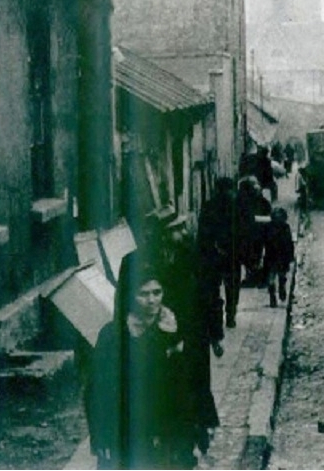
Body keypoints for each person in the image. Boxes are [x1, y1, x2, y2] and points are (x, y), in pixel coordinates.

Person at [84, 254, 204, 469]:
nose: (152, 301)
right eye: (143, 294)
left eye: (157, 292)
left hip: (169, 433)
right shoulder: (113, 337)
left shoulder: (174, 330)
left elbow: (191, 383)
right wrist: (101, 439)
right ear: (129, 296)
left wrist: (198, 428)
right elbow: (96, 392)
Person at [150, 217, 221, 451]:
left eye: (181, 228)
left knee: (197, 379)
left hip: (195, 331)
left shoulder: (195, 259)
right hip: (167, 330)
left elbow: (211, 299)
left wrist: (216, 335)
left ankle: (200, 428)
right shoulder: (156, 258)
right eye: (174, 229)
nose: (180, 232)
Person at [198, 177, 240, 329]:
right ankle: (230, 315)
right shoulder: (236, 205)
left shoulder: (209, 206)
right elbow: (243, 232)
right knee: (232, 287)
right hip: (232, 254)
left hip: (213, 254)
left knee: (214, 288)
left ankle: (218, 318)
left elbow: (202, 232)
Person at [263, 207, 295, 307]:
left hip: (272, 255)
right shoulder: (285, 227)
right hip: (280, 256)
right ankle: (279, 290)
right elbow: (289, 243)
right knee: (280, 275)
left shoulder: (268, 227)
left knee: (271, 277)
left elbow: (262, 242)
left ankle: (273, 294)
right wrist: (291, 256)